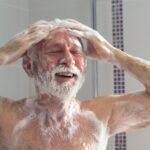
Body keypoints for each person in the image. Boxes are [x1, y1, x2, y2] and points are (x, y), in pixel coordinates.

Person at [0, 18, 150, 150]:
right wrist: (3, 54)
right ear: (29, 67)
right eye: (55, 51)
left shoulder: (101, 115)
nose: (69, 60)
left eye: (75, 52)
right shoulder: (8, 118)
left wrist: (112, 54)